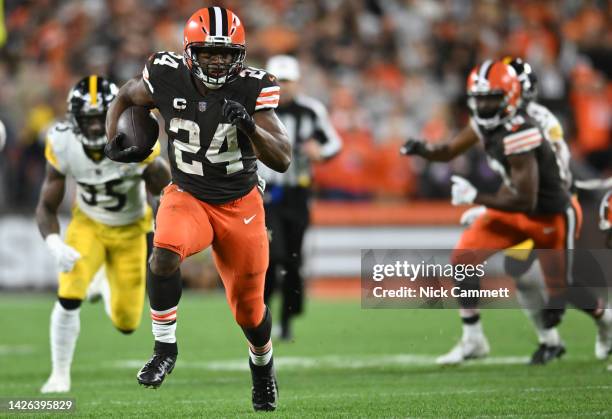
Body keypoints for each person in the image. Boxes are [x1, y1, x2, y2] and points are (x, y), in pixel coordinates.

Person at [104, 7, 291, 412]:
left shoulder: (253, 88)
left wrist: (249, 126)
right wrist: (112, 140)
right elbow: (124, 95)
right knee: (164, 254)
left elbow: (283, 159)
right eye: (210, 52)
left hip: (240, 204)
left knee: (250, 313)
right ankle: (164, 348)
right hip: (187, 194)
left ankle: (262, 368)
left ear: (239, 55)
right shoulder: (166, 74)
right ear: (190, 52)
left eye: (227, 53)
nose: (219, 60)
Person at [401, 59, 612, 365]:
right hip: (514, 204)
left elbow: (543, 179)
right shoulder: (490, 121)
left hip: (550, 208)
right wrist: (423, 149)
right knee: (484, 264)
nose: (485, 105)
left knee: (559, 288)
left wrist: (482, 200)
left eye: (495, 96)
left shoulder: (533, 124)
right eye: (481, 98)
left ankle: (603, 320)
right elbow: (459, 153)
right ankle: (525, 340)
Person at [36, 75, 171, 393]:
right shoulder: (62, 141)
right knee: (69, 294)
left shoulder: (135, 133)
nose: (97, 127)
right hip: (89, 225)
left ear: (116, 115)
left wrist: (149, 162)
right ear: (74, 119)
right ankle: (59, 375)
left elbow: (164, 188)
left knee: (127, 323)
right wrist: (54, 242)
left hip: (131, 229)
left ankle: (105, 283)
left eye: (102, 118)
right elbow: (46, 204)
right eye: (89, 119)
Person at [261, 55, 342, 340]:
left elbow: (333, 142)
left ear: (297, 82)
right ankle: (264, 319)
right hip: (266, 194)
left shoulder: (310, 110)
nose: (283, 87)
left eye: (287, 81)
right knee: (272, 257)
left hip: (297, 194)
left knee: (293, 261)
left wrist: (320, 152)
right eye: (278, 81)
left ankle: (286, 320)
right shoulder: (257, 106)